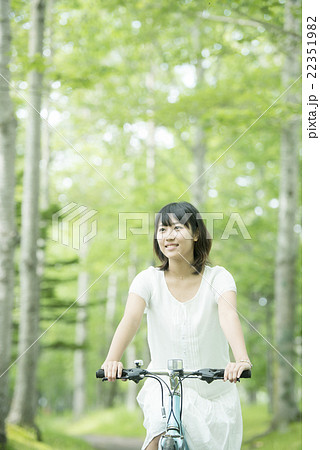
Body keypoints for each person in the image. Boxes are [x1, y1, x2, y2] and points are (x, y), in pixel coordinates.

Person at [101, 201, 252, 450]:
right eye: (162, 229)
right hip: (165, 390)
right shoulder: (148, 280)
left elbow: (229, 316)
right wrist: (112, 359)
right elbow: (131, 319)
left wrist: (242, 360)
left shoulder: (219, 278)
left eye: (177, 228)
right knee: (158, 436)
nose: (168, 236)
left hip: (215, 394)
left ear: (195, 234)